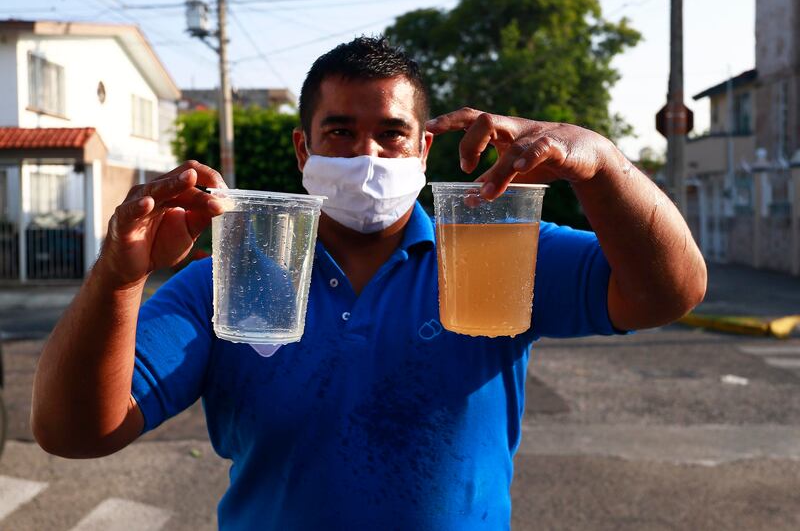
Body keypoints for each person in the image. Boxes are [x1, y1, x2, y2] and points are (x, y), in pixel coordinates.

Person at [31, 37, 706, 529]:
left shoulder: (494, 251)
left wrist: (603, 166)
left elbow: (667, 291)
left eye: (391, 133)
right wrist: (120, 277)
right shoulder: (228, 279)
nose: (368, 155)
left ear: (423, 150)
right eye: (341, 132)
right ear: (304, 150)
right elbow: (73, 430)